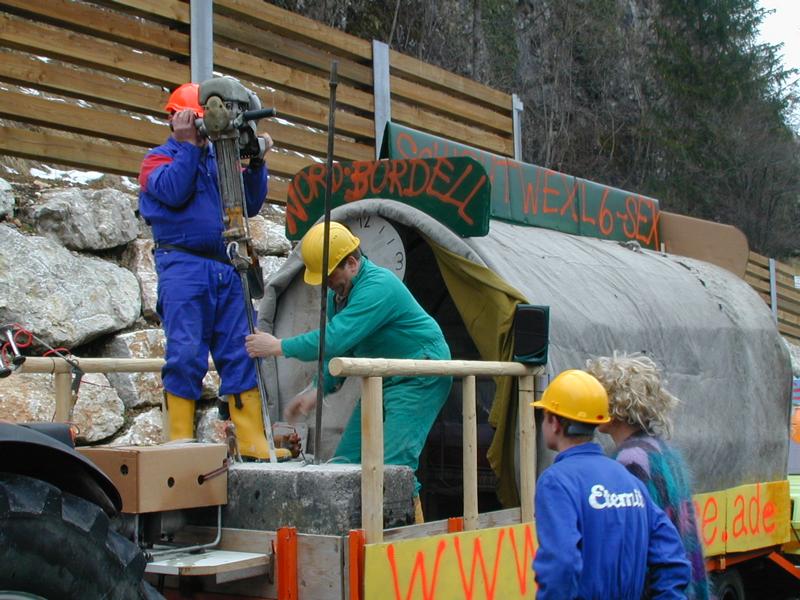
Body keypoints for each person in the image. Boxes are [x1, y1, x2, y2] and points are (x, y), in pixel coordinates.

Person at [245, 221, 452, 522]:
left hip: (420, 374)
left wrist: (278, 346)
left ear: (352, 263)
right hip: (382, 377)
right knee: (346, 461)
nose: (327, 285)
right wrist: (318, 388)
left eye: (330, 276)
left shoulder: (379, 287)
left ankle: (409, 536)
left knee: (394, 468)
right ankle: (349, 534)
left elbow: (336, 338)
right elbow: (343, 348)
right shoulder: (339, 295)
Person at [138, 82, 274, 459]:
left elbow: (249, 203)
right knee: (185, 353)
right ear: (176, 119)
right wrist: (189, 147)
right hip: (183, 265)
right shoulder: (157, 160)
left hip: (227, 264)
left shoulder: (220, 158)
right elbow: (174, 191)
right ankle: (179, 440)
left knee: (242, 351)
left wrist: (255, 163)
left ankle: (250, 439)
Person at [531, 369, 691, 599]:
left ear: (554, 422)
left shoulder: (556, 481)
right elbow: (673, 557)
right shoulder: (627, 478)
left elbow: (561, 564)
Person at [586, 352, 712, 599]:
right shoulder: (663, 452)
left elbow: (634, 545)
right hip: (682, 586)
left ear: (617, 406)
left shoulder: (630, 461)